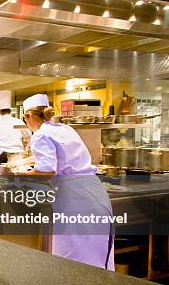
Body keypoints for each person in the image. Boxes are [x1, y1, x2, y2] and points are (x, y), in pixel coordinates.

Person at [15, 94, 114, 270]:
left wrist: (22, 173)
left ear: (29, 116)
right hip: (94, 192)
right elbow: (61, 154)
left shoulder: (39, 135)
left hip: (74, 199)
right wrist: (26, 161)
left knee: (74, 260)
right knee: (95, 256)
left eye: (25, 119)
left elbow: (47, 171)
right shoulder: (63, 128)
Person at [0, 90, 30, 165]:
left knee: (0, 176)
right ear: (10, 110)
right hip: (17, 156)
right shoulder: (18, 121)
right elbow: (29, 135)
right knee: (17, 175)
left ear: (0, 111)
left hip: (1, 156)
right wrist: (26, 147)